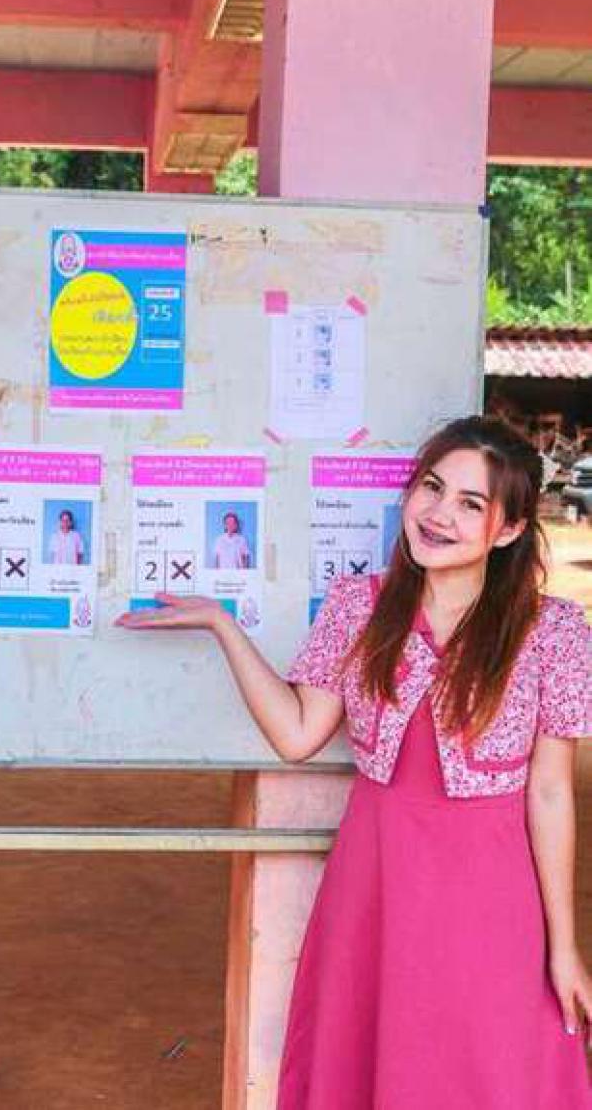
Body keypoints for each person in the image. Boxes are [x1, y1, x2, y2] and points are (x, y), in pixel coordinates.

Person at [117, 416, 591, 1108]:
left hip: (492, 895)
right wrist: (224, 626)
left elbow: (550, 792)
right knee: (375, 1062)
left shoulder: (555, 631)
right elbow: (298, 734)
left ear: (510, 529)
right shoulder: (358, 606)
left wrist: (563, 945)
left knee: (489, 1068)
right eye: (432, 487)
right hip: (375, 879)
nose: (439, 513)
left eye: (470, 503)